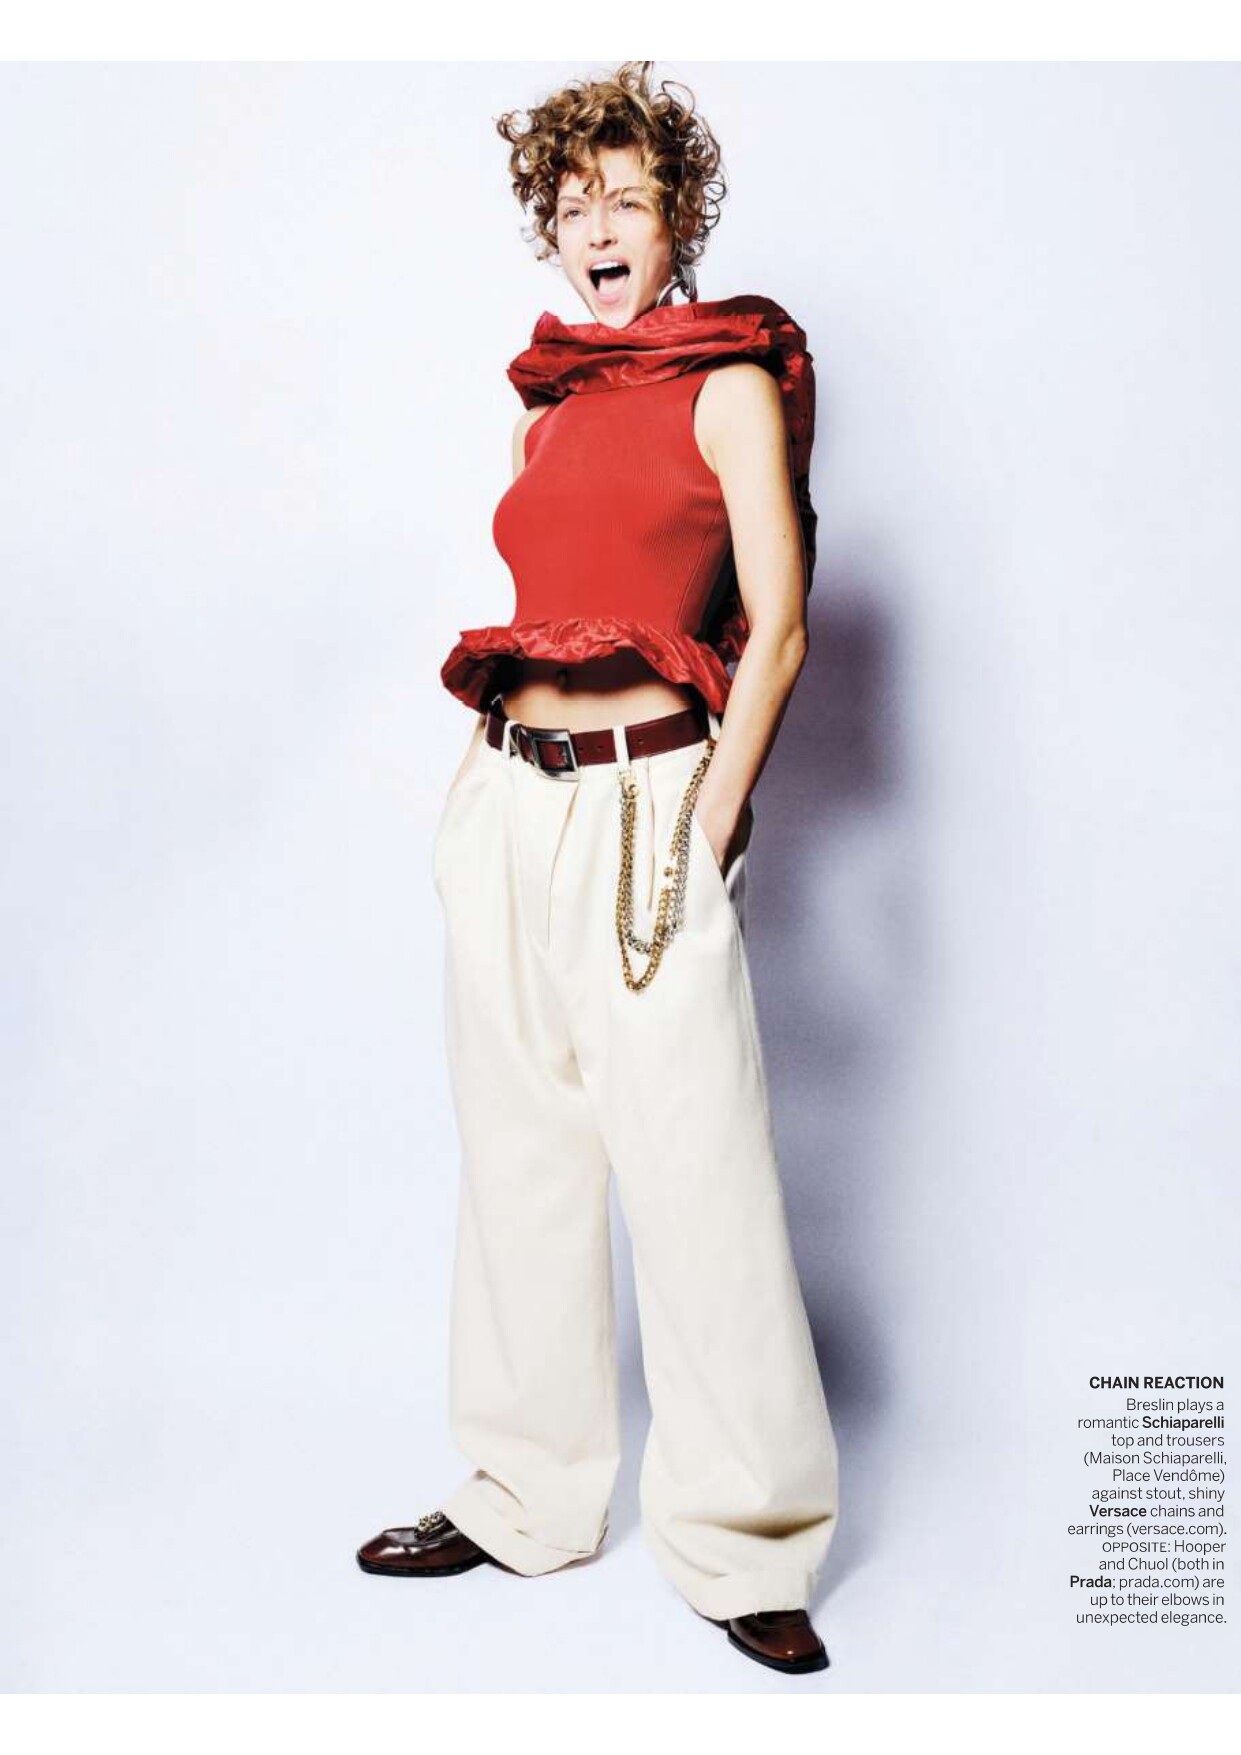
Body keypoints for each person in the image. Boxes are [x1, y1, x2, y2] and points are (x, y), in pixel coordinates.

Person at [357, 60, 840, 1678]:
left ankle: (748, 1535)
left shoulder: (728, 386)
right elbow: (541, 596)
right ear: (549, 233)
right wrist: (470, 810)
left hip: (650, 801)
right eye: (573, 207)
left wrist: (713, 816)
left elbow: (778, 625)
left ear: (677, 215)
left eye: (628, 199)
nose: (599, 228)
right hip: (507, 796)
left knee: (695, 1170)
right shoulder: (544, 407)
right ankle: (524, 1496)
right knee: (521, 1158)